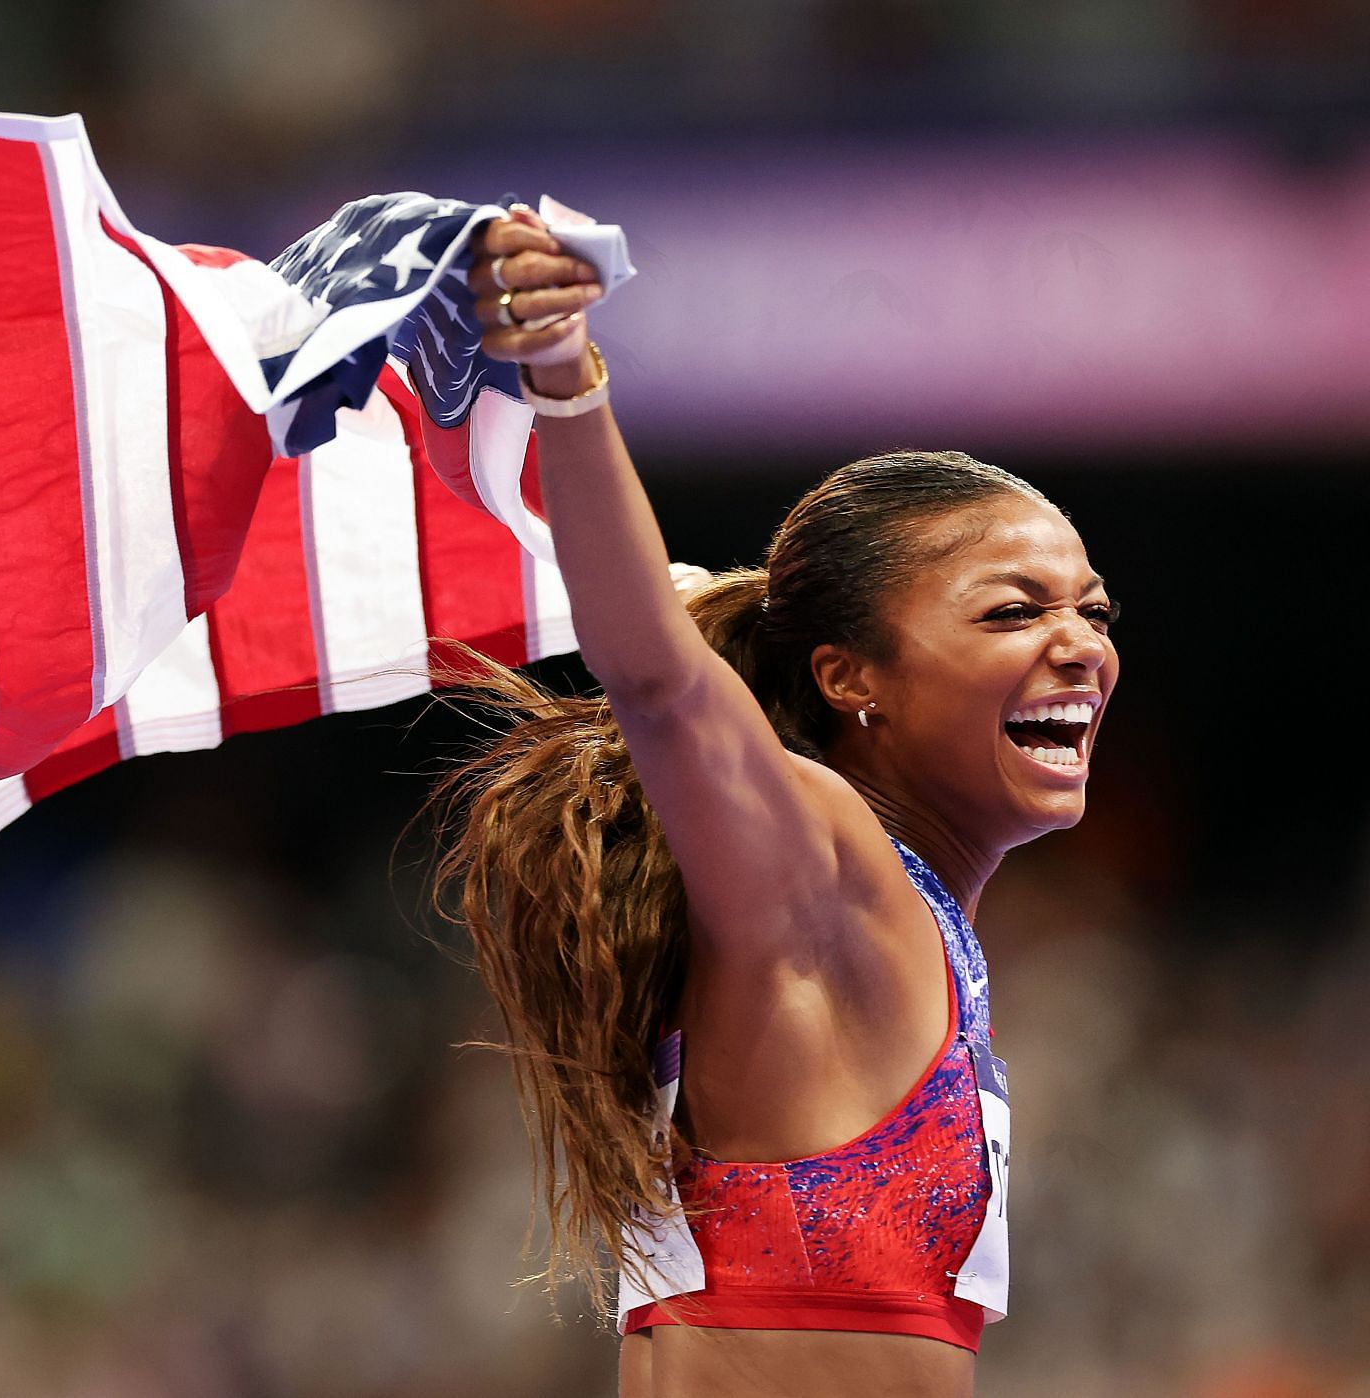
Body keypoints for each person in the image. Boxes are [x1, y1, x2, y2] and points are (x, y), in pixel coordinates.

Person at [430, 207, 1121, 1398]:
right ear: (852, 678)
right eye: (1014, 611)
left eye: (1093, 612)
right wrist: (565, 377)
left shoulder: (902, 918)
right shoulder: (824, 864)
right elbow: (655, 679)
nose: (1079, 647)